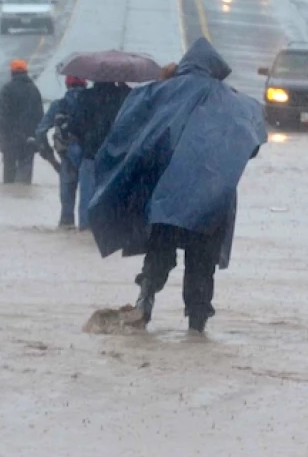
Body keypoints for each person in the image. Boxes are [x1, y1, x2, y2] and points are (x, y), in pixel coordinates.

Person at [86, 37, 267, 333]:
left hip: (167, 197)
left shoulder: (159, 93)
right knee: (201, 263)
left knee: (159, 252)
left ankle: (144, 303)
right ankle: (197, 327)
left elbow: (130, 130)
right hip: (212, 200)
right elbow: (252, 144)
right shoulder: (237, 103)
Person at [68, 80, 132, 230]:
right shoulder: (123, 96)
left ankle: (85, 231)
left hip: (90, 155)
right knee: (112, 200)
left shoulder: (85, 97)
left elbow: (74, 126)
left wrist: (85, 141)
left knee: (87, 200)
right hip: (115, 156)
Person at [36, 75, 87, 228]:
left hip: (66, 155)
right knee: (88, 198)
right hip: (90, 156)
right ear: (85, 84)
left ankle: (66, 225)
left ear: (67, 85)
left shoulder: (59, 105)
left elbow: (40, 131)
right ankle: (85, 230)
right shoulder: (94, 102)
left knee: (67, 203)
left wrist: (48, 154)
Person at [0, 59, 45, 184]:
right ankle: (23, 192)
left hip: (9, 139)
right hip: (29, 139)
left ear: (12, 73)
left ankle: (10, 192)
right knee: (25, 175)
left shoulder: (7, 89)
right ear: (26, 72)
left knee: (9, 174)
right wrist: (40, 137)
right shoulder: (34, 90)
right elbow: (40, 115)